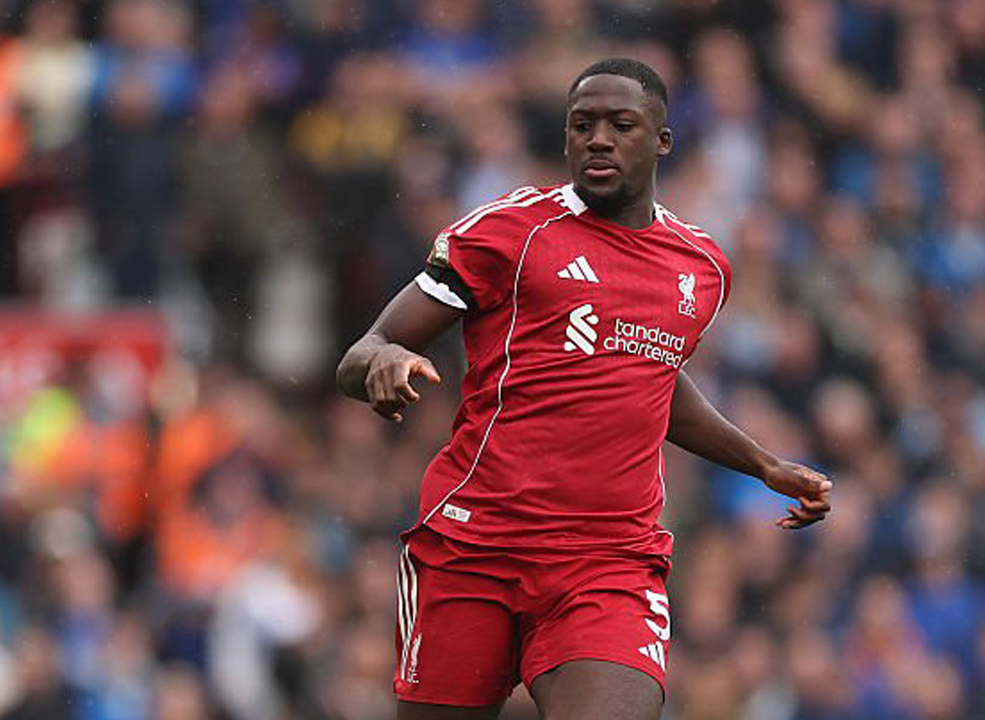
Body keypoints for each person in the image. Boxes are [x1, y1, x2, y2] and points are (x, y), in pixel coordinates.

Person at [335, 59, 833, 720]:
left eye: (620, 124)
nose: (598, 139)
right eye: (582, 125)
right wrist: (384, 364)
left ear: (661, 140)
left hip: (608, 562)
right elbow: (363, 352)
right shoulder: (509, 233)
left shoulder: (702, 267)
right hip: (472, 546)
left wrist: (762, 462)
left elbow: (650, 378)